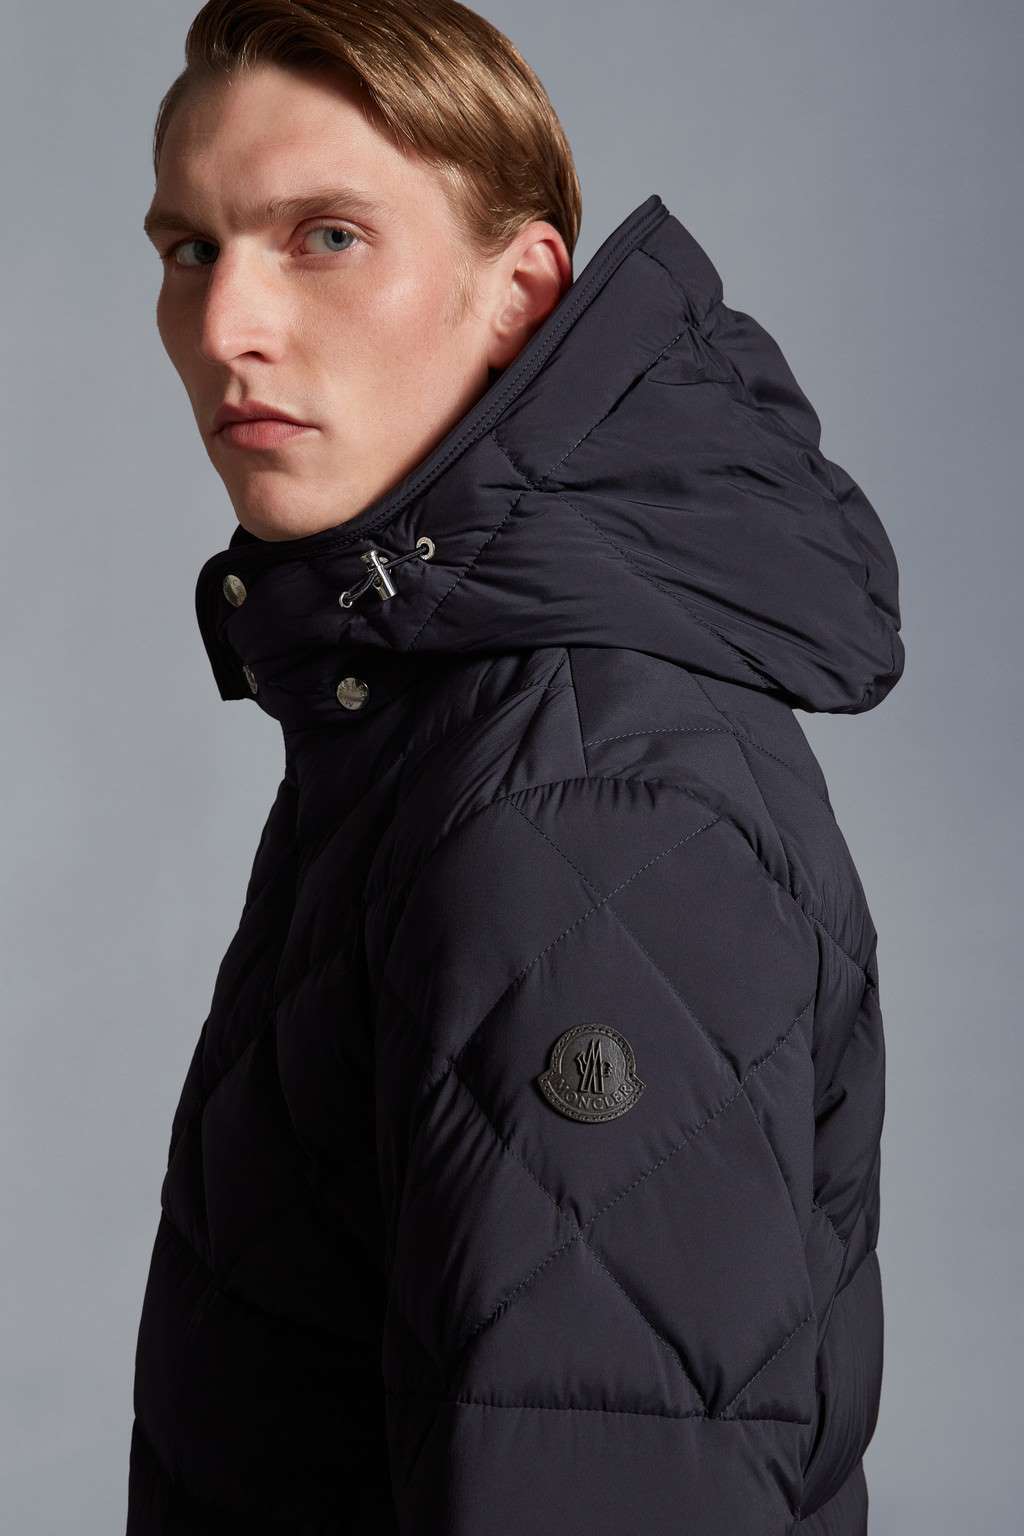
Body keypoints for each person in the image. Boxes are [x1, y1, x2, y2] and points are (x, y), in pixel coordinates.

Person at [127, 3, 905, 1533]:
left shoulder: (583, 811)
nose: (225, 329)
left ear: (521, 293)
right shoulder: (430, 720)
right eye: (191, 249)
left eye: (327, 237)